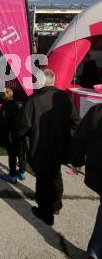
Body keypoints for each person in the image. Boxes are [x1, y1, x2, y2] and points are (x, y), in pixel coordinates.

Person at [18, 69, 79, 226]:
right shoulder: (64, 98)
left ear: (41, 81)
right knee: (55, 175)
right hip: (60, 147)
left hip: (40, 146)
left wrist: (20, 136)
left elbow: (23, 126)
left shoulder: (33, 100)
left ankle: (46, 213)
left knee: (44, 179)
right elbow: (75, 121)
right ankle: (56, 205)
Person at [70, 103, 102, 258]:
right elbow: (80, 138)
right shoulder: (96, 111)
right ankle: (95, 252)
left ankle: (95, 252)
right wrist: (77, 161)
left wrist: (77, 161)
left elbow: (79, 138)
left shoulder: (96, 111)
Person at [0, 88, 27, 184]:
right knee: (21, 153)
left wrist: (3, 139)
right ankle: (22, 172)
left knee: (12, 155)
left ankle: (13, 175)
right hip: (21, 134)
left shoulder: (4, 108)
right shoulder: (18, 104)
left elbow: (3, 124)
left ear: (3, 96)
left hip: (11, 135)